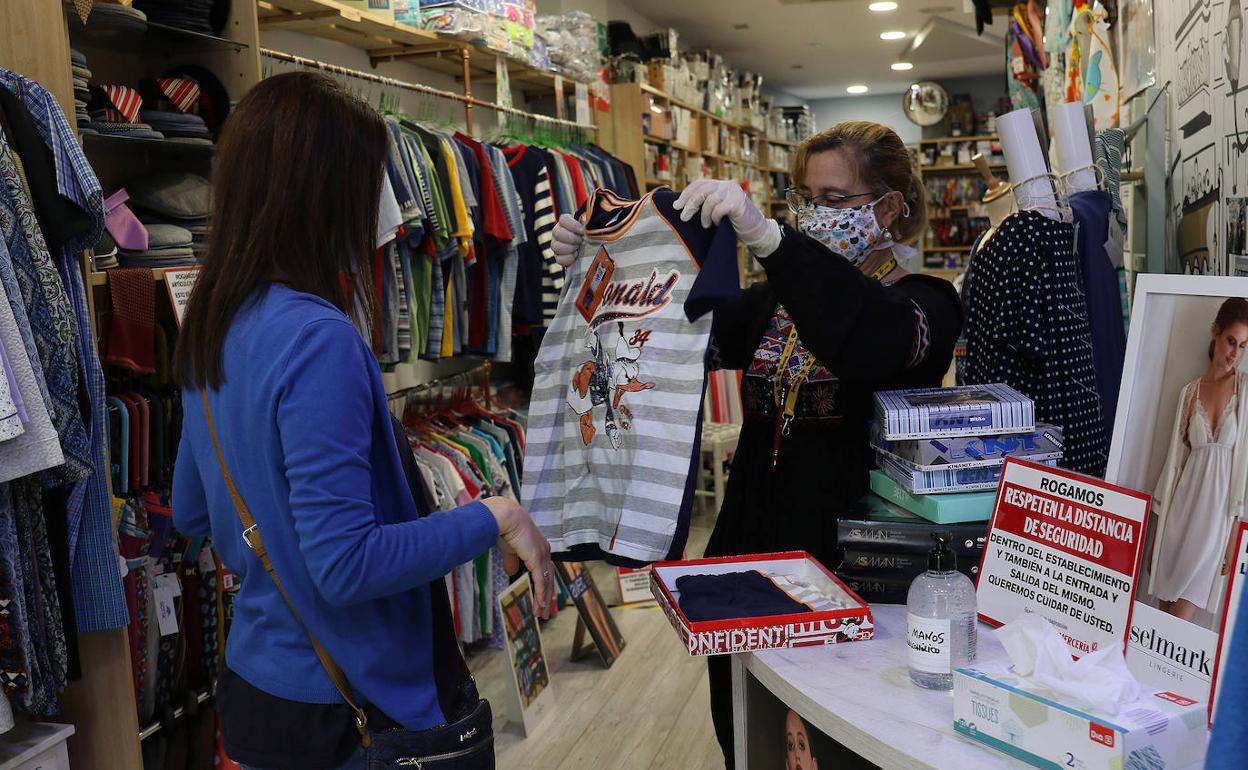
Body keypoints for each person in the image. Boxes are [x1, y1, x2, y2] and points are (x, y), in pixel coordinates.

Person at [171, 72, 554, 770]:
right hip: (353, 709)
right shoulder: (319, 337)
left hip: (260, 692)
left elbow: (194, 510)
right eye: (368, 186)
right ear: (322, 195)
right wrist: (493, 516)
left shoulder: (211, 323)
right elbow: (346, 565)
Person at [552, 120, 963, 766]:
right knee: (746, 735)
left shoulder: (925, 305)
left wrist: (771, 239)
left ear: (888, 207)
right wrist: (596, 267)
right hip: (747, 566)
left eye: (835, 200)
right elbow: (663, 336)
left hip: (852, 581)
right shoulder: (772, 304)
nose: (816, 215)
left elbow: (861, 338)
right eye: (806, 199)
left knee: (829, 746)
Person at [1150, 298, 1248, 622]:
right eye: (1231, 341)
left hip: (1216, 521)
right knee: (1162, 621)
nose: (1235, 353)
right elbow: (1173, 464)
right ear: (1215, 334)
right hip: (1181, 512)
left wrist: (1235, 533)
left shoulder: (1245, 393)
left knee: (1178, 620)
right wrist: (1158, 534)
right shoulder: (1190, 392)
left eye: (1243, 346)